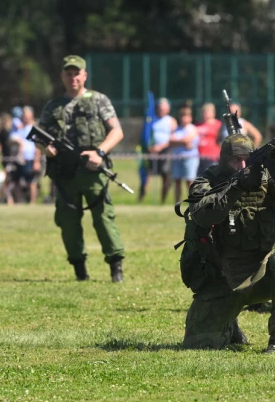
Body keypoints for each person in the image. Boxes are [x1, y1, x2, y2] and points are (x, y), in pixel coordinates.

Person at [182, 134, 275, 353]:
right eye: (235, 160)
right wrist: (236, 186)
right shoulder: (208, 180)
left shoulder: (268, 177)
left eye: (246, 159)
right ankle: (229, 328)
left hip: (264, 272)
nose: (241, 165)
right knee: (199, 343)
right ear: (224, 159)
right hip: (223, 277)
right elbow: (203, 214)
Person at [37, 55, 126, 282]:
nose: (73, 77)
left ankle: (116, 267)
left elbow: (116, 131)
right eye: (68, 73)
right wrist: (45, 147)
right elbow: (39, 135)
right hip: (64, 173)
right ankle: (79, 270)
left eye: (77, 73)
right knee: (68, 222)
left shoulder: (99, 100)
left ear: (84, 75)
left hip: (92, 169)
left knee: (103, 218)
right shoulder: (53, 105)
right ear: (62, 76)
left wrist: (100, 153)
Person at [145, 98, 176, 204]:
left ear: (168, 109)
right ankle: (141, 199)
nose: (161, 110)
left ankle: (163, 200)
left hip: (166, 151)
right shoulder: (151, 119)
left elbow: (173, 139)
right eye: (160, 108)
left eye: (164, 109)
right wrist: (151, 147)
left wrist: (161, 147)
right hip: (152, 151)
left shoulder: (171, 121)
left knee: (166, 175)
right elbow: (146, 134)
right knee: (147, 175)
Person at [168, 105, 199, 204]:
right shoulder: (177, 129)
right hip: (178, 158)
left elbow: (187, 140)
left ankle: (192, 202)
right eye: (182, 116)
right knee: (177, 182)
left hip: (190, 159)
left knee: (190, 182)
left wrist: (179, 141)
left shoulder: (192, 128)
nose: (184, 119)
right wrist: (183, 142)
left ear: (190, 118)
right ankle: (177, 202)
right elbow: (171, 141)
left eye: (186, 116)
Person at [10, 106, 41, 204]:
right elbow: (10, 139)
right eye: (24, 115)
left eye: (28, 115)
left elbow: (38, 146)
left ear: (32, 116)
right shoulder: (17, 127)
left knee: (31, 182)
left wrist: (36, 161)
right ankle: (18, 202)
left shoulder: (35, 128)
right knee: (16, 181)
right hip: (18, 158)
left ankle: (32, 202)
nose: (25, 117)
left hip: (30, 158)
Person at [195, 102, 223, 176]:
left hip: (212, 157)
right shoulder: (197, 124)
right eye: (203, 112)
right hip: (198, 156)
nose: (205, 114)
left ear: (213, 113)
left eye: (207, 112)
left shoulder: (218, 124)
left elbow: (221, 141)